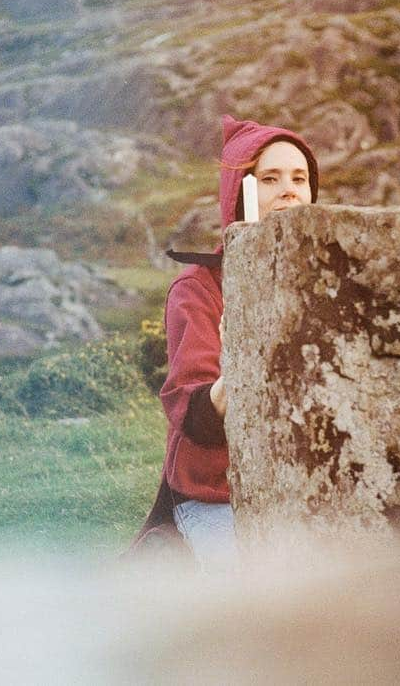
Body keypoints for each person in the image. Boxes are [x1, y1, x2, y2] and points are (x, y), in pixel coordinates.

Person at [129, 115, 319, 570]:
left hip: (304, 484)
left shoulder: (323, 275)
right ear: (240, 192)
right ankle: (171, 551)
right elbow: (188, 402)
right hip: (217, 491)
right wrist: (237, 380)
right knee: (254, 590)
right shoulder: (197, 289)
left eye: (300, 178)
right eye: (269, 178)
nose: (289, 190)